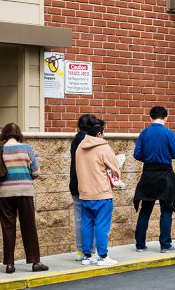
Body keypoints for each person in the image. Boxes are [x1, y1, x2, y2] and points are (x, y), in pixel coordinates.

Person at [0, 123, 48, 273]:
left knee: (7, 228)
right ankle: (35, 262)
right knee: (29, 227)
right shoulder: (26, 148)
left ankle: (9, 264)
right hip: (24, 192)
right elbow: (36, 172)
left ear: (4, 133)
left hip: (4, 193)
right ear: (18, 134)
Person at [133, 106, 175, 253]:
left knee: (145, 209)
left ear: (150, 118)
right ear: (166, 118)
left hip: (148, 174)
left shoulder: (144, 133)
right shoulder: (168, 133)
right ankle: (165, 244)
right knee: (167, 209)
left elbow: (137, 155)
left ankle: (140, 244)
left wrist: (149, 159)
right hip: (164, 175)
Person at [76, 119, 121, 266]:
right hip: (102, 193)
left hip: (84, 193)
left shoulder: (79, 147)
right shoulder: (104, 147)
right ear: (99, 133)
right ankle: (102, 256)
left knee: (86, 225)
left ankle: (86, 256)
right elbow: (115, 168)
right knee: (102, 226)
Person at [70, 114, 102, 261]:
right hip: (89, 184)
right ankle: (92, 250)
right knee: (94, 218)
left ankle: (80, 251)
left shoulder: (75, 140)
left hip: (75, 183)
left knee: (79, 219)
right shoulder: (91, 141)